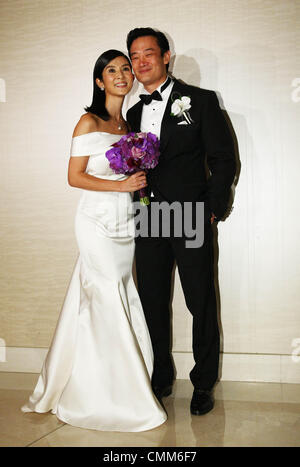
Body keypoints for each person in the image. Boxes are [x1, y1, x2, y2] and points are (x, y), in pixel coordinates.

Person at [21, 49, 167, 432]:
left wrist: (137, 191)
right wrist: (122, 185)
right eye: (111, 70)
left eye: (124, 68)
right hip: (95, 222)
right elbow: (75, 177)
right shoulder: (88, 121)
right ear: (99, 81)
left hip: (125, 224)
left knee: (113, 292)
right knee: (103, 297)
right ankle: (109, 395)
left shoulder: (129, 126)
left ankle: (92, 377)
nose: (121, 75)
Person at [126, 28, 236, 415]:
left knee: (200, 302)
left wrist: (211, 208)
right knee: (153, 302)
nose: (141, 62)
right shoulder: (133, 112)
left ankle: (203, 383)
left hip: (190, 214)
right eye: (135, 56)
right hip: (149, 216)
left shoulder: (201, 101)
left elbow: (224, 159)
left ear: (166, 56)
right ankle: (160, 378)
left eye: (148, 54)